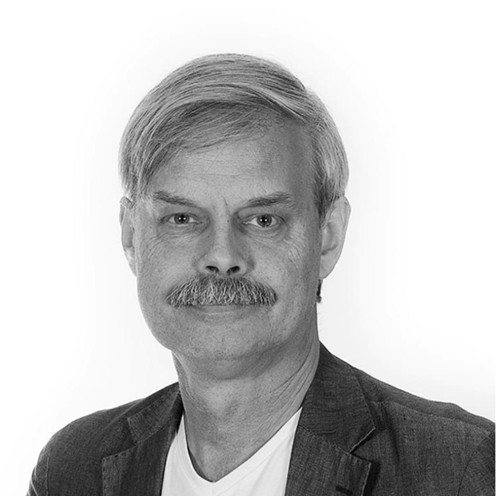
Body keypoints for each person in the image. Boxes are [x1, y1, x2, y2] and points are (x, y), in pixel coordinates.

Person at [28, 53, 494, 496]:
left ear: (327, 237)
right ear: (132, 236)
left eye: (263, 219)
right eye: (182, 218)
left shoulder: (459, 469)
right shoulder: (74, 469)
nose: (221, 256)